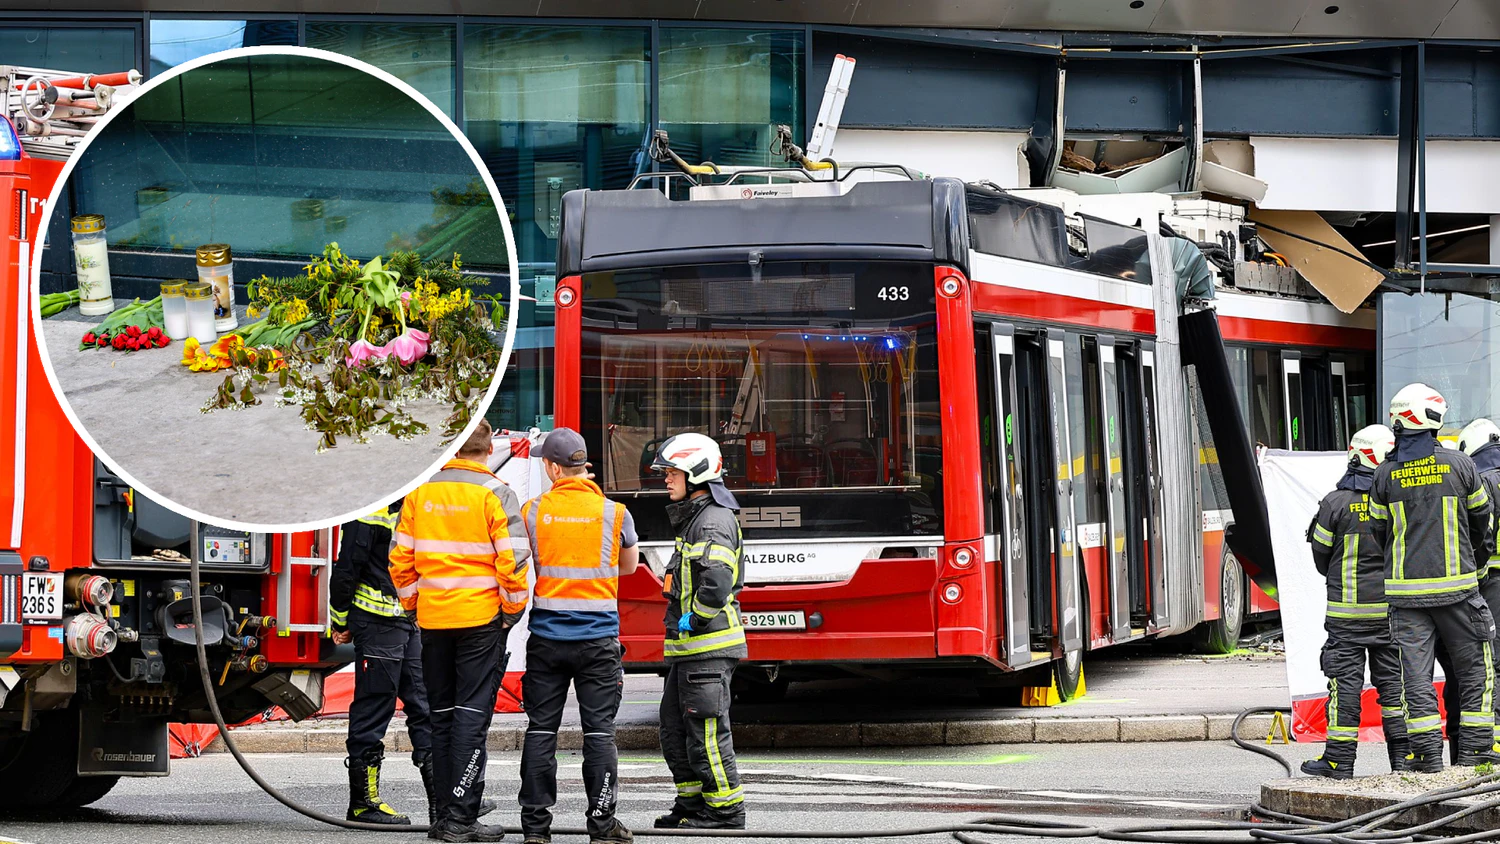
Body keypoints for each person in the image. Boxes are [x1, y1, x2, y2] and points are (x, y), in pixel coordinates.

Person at [390, 418, 531, 843]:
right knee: (471, 718)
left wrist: (416, 606)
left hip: (434, 621)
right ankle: (460, 819)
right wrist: (509, 612)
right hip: (480, 621)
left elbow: (400, 561)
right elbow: (515, 561)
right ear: (489, 451)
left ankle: (444, 816)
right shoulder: (495, 493)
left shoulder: (419, 494)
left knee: (442, 717)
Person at [517, 427, 638, 844]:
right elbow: (627, 567)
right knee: (600, 733)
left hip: (548, 638)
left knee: (541, 731)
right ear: (582, 465)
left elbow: (521, 561)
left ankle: (535, 829)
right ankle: (602, 825)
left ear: (552, 467)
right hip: (599, 640)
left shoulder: (532, 511)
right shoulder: (614, 512)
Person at [1369, 384, 1497, 772]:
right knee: (1476, 670)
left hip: (1407, 601)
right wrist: (1470, 560)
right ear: (1434, 420)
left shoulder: (1385, 473)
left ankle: (1426, 757)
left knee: (1415, 678)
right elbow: (1482, 522)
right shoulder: (1461, 467)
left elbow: (1379, 532)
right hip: (1459, 592)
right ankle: (1475, 753)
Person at [648, 433, 747, 830]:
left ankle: (725, 810)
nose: (666, 480)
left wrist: (698, 617)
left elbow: (718, 581)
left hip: (706, 646)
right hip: (689, 649)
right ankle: (692, 802)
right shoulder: (696, 517)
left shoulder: (711, 521)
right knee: (675, 729)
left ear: (696, 473)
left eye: (672, 473)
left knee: (706, 731)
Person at [1300, 424, 1409, 779]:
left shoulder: (1335, 503)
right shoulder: (1395, 498)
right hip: (1390, 615)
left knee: (1344, 690)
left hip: (1346, 619)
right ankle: (1404, 764)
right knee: (1394, 690)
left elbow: (1320, 556)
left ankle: (1339, 763)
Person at [1458, 417, 1500, 755]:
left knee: (1494, 661)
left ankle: (1497, 736)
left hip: (1494, 582)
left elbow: (1482, 537)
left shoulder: (1485, 482)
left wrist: (1478, 574)